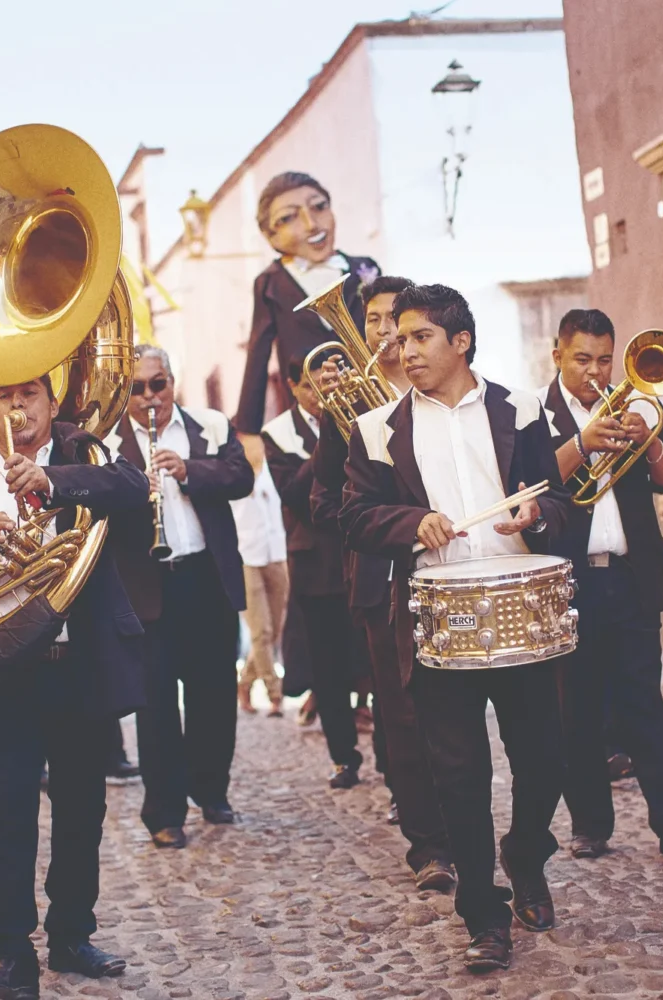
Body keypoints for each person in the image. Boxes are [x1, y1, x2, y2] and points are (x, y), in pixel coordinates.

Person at [340, 283, 570, 973]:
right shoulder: (377, 429)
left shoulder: (522, 409)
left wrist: (538, 517)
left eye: (418, 338)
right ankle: (483, 914)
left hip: (521, 610)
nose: (402, 350)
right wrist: (411, 524)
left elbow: (559, 498)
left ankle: (526, 853)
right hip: (439, 621)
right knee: (459, 776)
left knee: (542, 762)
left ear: (460, 342)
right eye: (399, 340)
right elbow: (354, 515)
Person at [0, 373, 148, 997]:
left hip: (78, 664)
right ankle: (10, 953)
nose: (17, 405)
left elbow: (133, 488)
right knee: (7, 811)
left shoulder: (83, 454)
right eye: (3, 395)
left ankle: (72, 933)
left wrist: (53, 481)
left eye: (29, 393)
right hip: (0, 672)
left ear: (52, 401)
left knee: (80, 809)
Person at [544, 309, 663, 861]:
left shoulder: (639, 405)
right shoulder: (534, 415)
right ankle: (590, 824)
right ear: (557, 356)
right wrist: (582, 442)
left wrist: (650, 443)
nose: (596, 371)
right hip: (566, 581)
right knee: (576, 708)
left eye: (604, 359)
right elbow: (526, 483)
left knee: (644, 701)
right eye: (582, 360)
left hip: (628, 578)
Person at [312, 273, 457, 886]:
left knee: (451, 713)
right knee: (398, 712)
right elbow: (326, 503)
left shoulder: (447, 391)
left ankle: (460, 823)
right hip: (379, 577)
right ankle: (428, 845)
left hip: (446, 570)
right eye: (373, 320)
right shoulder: (350, 409)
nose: (383, 331)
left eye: (394, 320)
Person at [105, 346, 255, 849]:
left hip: (205, 578)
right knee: (156, 705)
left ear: (173, 381)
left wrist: (189, 471)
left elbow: (241, 477)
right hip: (147, 586)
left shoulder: (209, 426)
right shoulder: (108, 441)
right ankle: (164, 812)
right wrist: (131, 488)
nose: (150, 397)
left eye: (159, 384)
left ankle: (212, 791)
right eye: (137, 389)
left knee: (215, 694)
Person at [263, 356, 364, 787]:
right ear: (293, 386)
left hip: (362, 551)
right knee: (328, 667)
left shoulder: (361, 413)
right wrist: (330, 429)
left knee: (373, 657)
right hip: (316, 562)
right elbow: (295, 493)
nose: (320, 394)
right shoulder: (278, 433)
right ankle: (343, 757)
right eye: (312, 386)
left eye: (330, 385)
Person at [235, 171, 379, 458]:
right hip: (314, 417)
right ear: (269, 236)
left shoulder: (364, 268)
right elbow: (258, 353)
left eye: (319, 206)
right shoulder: (270, 283)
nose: (312, 224)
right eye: (288, 218)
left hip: (374, 404)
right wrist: (248, 430)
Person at [230, 458, 288, 715]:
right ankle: (275, 693)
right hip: (246, 557)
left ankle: (243, 683)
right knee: (261, 631)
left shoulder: (272, 467)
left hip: (276, 553)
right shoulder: (234, 469)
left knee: (274, 630)